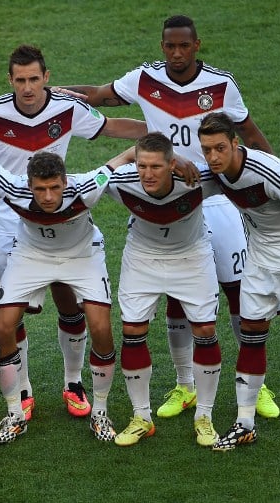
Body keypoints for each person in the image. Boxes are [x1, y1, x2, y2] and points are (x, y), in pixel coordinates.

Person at [57, 14, 279, 421]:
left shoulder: (221, 85)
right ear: (162, 47)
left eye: (183, 46)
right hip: (166, 196)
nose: (176, 53)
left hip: (215, 198)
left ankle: (258, 386)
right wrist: (60, 93)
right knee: (178, 294)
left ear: (197, 46)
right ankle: (184, 386)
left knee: (236, 290)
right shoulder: (144, 79)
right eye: (169, 46)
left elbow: (250, 134)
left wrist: (274, 177)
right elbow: (101, 95)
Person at [0, 44, 145, 421]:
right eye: (20, 80)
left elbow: (109, 128)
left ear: (46, 77)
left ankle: (73, 381)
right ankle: (24, 388)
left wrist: (169, 133)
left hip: (56, 208)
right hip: (7, 215)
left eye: (34, 79)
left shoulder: (68, 107)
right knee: (12, 313)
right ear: (9, 80)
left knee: (67, 298)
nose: (27, 88)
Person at [0, 150, 128, 443]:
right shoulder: (12, 186)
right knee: (2, 326)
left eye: (54, 187)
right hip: (31, 255)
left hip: (82, 255)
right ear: (29, 185)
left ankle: (99, 411)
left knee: (101, 327)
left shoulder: (87, 186)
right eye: (40, 189)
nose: (48, 196)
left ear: (66, 182)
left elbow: (121, 158)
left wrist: (174, 158)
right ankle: (15, 412)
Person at [198, 112, 280, 459]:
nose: (213, 157)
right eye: (206, 149)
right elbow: (185, 180)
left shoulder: (266, 170)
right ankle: (245, 423)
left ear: (235, 144)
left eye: (219, 148)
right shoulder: (214, 173)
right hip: (258, 260)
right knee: (251, 335)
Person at [104, 133, 222, 447]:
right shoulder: (122, 182)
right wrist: (128, 153)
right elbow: (94, 178)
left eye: (156, 166)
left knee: (206, 331)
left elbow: (236, 172)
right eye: (142, 165)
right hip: (142, 258)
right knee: (131, 330)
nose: (147, 174)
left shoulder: (198, 179)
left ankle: (204, 417)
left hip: (192, 257)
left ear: (172, 165)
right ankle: (141, 417)